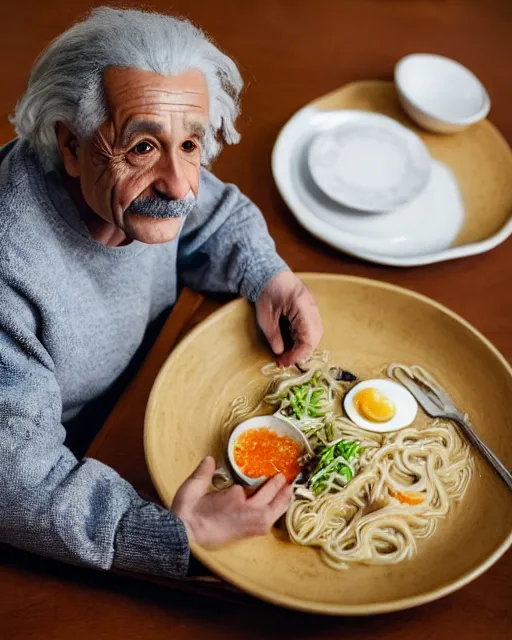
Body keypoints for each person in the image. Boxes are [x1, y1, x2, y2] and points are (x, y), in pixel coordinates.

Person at [0, 7, 323, 578]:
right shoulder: (10, 270)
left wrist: (269, 276)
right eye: (143, 147)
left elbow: (213, 216)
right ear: (69, 147)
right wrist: (177, 534)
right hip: (75, 461)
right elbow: (16, 482)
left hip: (146, 388)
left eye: (191, 145)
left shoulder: (138, 183)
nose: (179, 184)